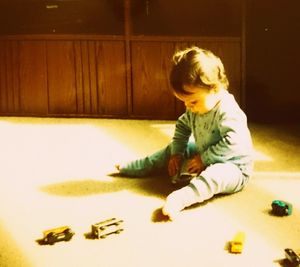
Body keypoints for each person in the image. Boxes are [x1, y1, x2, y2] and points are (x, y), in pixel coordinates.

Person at [116, 46, 253, 220]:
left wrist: (204, 159)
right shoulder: (195, 108)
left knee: (215, 175)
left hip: (234, 167)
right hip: (205, 151)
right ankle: (142, 165)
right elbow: (182, 126)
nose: (189, 107)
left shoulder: (228, 111)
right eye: (185, 102)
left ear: (215, 89)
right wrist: (177, 153)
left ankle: (182, 198)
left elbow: (233, 143)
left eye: (193, 101)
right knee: (173, 147)